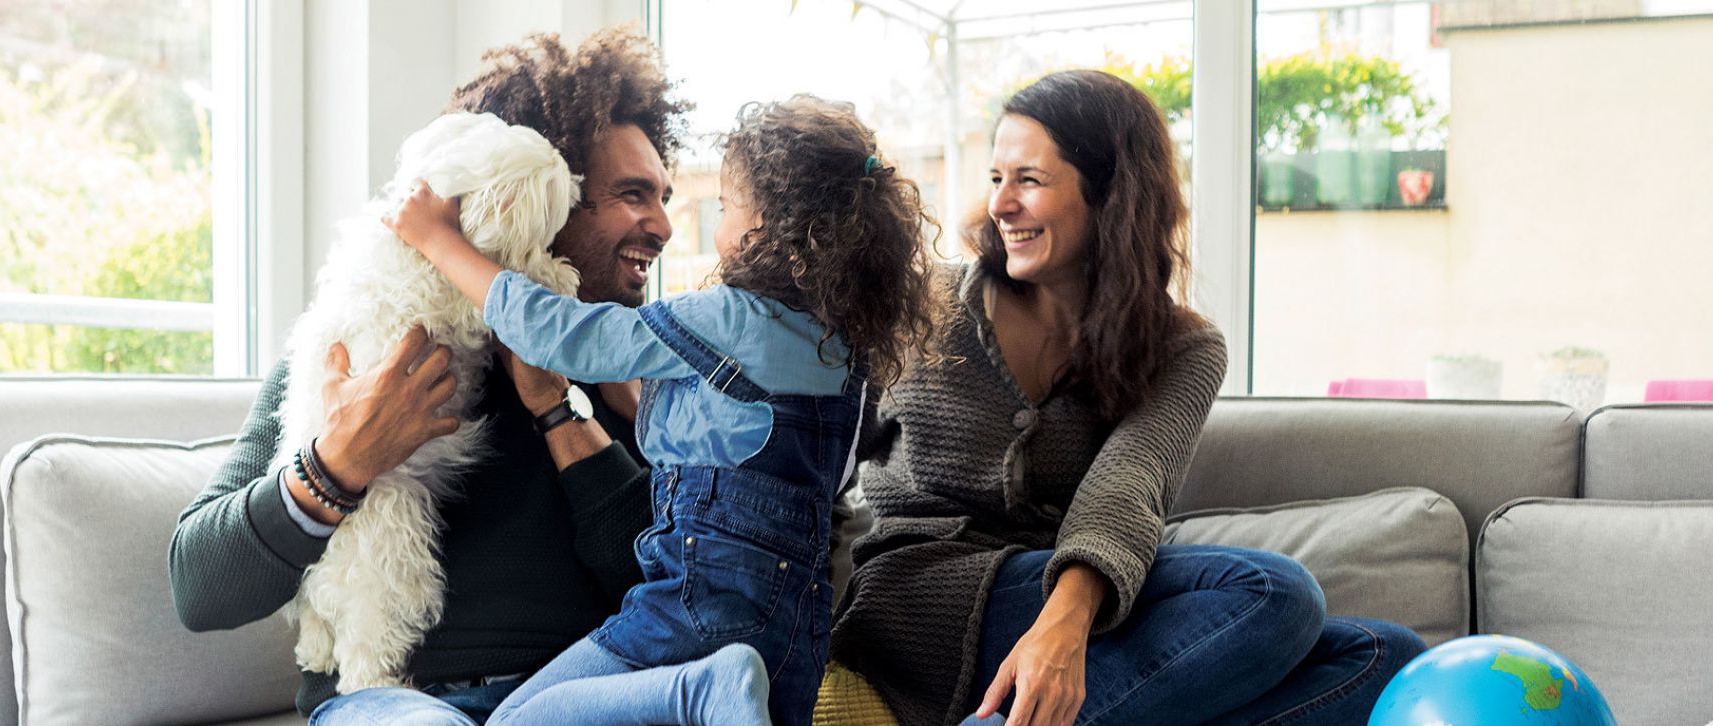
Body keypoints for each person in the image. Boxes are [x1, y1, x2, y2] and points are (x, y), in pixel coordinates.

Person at [828, 70, 1427, 726]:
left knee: (1385, 655)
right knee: (1275, 593)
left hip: (1077, 609)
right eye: (997, 179)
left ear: (1110, 192)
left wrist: (1062, 631)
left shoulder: (1181, 347)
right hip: (918, 604)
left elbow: (1126, 487)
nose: (1001, 205)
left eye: (1029, 180)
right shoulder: (920, 303)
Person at [168, 27, 690, 725]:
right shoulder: (354, 348)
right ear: (538, 195)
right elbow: (200, 586)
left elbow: (671, 590)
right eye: (632, 194)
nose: (662, 225)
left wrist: (559, 411)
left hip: (565, 698)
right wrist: (339, 463)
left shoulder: (636, 374)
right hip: (387, 703)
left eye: (662, 196)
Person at [385, 94, 938, 726]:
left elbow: (560, 333)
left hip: (695, 609)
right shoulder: (844, 356)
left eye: (725, 207)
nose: (689, 225)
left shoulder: (725, 317)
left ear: (770, 224)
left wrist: (437, 237)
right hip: (795, 632)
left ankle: (697, 689)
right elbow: (779, 454)